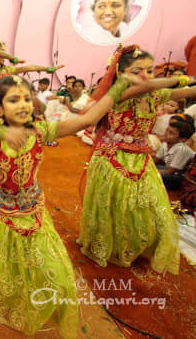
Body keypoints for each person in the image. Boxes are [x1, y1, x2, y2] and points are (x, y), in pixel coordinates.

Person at [0, 72, 144, 338]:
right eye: (13, 100)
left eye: (26, 99)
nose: (23, 105)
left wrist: (118, 87)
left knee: (52, 269)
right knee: (3, 269)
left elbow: (87, 120)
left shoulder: (41, 130)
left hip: (32, 210)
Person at [79, 45, 196, 275]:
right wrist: (183, 78)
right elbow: (151, 86)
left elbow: (188, 93)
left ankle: (138, 246)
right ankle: (110, 247)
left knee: (149, 207)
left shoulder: (155, 95)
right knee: (117, 208)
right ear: (120, 75)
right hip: (113, 159)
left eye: (150, 70)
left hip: (141, 158)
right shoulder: (119, 95)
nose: (145, 76)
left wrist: (188, 84)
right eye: (137, 71)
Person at [0, 38, 64, 132]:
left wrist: (48, 69)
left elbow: (29, 68)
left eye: (5, 52)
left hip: (3, 110)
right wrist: (13, 59)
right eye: (3, 52)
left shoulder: (7, 70)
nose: (4, 56)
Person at [154, 120, 195, 190]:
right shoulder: (165, 144)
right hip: (170, 172)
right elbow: (155, 161)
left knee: (152, 176)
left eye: (171, 133)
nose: (166, 134)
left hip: (181, 177)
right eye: (167, 130)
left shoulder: (182, 149)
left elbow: (170, 171)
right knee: (149, 169)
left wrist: (150, 171)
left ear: (182, 139)